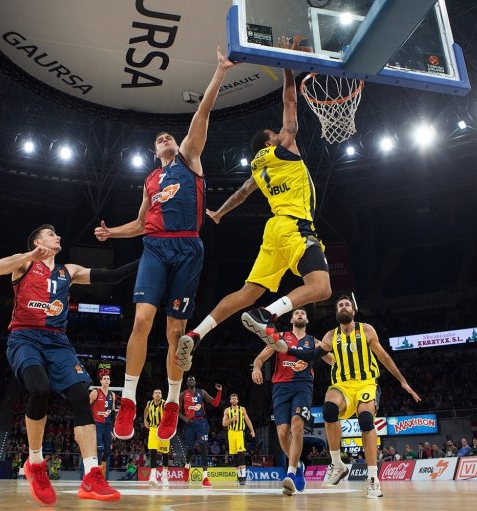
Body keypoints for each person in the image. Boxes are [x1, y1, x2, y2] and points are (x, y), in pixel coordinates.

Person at [93, 47, 236, 443]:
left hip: (188, 248)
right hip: (155, 248)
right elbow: (140, 224)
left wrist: (220, 71)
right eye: (159, 140)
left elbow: (201, 115)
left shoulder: (190, 159)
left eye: (167, 136)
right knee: (141, 321)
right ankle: (128, 399)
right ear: (154, 153)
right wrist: (111, 234)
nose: (165, 139)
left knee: (177, 333)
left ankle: (173, 401)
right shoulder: (151, 182)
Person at [177, 47, 331, 371]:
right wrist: (289, 69)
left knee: (247, 292)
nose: (280, 132)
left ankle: (198, 331)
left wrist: (219, 213)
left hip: (274, 230)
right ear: (269, 142)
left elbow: (242, 193)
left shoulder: (258, 171)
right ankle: (269, 314)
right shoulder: (284, 149)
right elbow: (290, 103)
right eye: (275, 133)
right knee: (321, 287)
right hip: (294, 226)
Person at [0, 224, 138, 503]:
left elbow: (113, 276)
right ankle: (35, 463)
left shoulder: (68, 271)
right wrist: (29, 255)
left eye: (57, 234)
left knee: (82, 395)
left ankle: (92, 475)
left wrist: (151, 257)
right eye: (50, 234)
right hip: (25, 337)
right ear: (37, 240)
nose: (57, 236)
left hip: (58, 341)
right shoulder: (23, 265)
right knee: (40, 389)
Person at [286, 295, 421, 498]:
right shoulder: (331, 336)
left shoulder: (366, 330)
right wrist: (287, 349)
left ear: (353, 311)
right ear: (336, 312)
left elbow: (383, 356)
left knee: (366, 421)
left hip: (366, 383)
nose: (343, 307)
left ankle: (373, 478)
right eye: (340, 305)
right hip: (342, 385)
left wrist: (402, 381)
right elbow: (312, 356)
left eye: (347, 304)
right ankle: (337, 464)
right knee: (329, 410)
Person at [251, 308, 332, 495]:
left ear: (307, 319)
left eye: (303, 313)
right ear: (291, 319)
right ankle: (299, 465)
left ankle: (292, 472)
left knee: (297, 425)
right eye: (297, 313)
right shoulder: (280, 338)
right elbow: (260, 358)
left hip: (303, 386)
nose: (300, 315)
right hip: (280, 388)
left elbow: (332, 360)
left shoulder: (314, 341)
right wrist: (256, 368)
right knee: (281, 432)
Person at [179, 376, 222, 487]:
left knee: (203, 448)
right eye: (189, 380)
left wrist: (219, 392)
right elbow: (178, 412)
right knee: (190, 450)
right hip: (189, 425)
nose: (191, 381)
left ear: (196, 382)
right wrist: (184, 418)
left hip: (201, 423)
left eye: (193, 380)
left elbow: (215, 403)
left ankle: (205, 478)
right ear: (187, 383)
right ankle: (187, 467)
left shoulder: (201, 392)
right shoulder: (182, 395)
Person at [222, 393, 255, 486]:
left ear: (237, 400)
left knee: (241, 454)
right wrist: (232, 419)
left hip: (240, 432)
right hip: (231, 433)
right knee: (235, 456)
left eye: (235, 398)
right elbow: (224, 424)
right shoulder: (227, 410)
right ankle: (239, 477)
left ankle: (243, 477)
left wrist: (252, 431)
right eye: (232, 399)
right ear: (230, 401)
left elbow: (247, 420)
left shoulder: (242, 409)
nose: (234, 400)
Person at [89, 374, 117, 478]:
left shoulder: (112, 395)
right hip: (97, 423)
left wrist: (112, 430)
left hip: (107, 425)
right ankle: (98, 475)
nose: (106, 380)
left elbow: (113, 413)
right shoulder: (95, 392)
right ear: (101, 381)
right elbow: (87, 408)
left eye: (108, 379)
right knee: (99, 449)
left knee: (108, 450)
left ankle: (102, 471)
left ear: (110, 382)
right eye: (104, 378)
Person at [144, 389, 171, 487]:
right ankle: (153, 476)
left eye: (159, 393)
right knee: (153, 452)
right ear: (152, 395)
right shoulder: (149, 403)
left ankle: (164, 477)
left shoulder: (165, 404)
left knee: (165, 454)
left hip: (164, 430)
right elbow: (146, 410)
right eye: (156, 393)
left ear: (161, 395)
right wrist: (145, 420)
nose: (158, 394)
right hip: (153, 429)